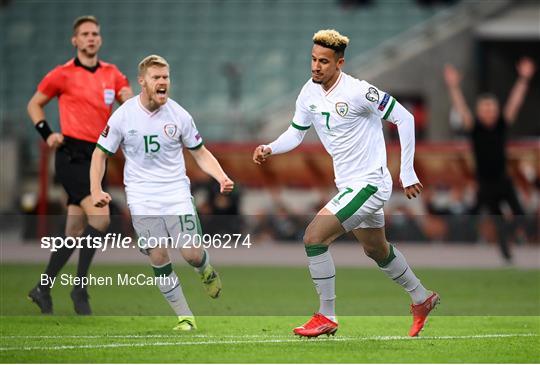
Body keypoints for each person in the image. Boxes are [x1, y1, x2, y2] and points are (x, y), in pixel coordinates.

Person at [253, 29, 438, 338]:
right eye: (313, 59)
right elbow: (296, 133)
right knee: (376, 249)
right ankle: (422, 298)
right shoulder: (308, 92)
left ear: (339, 63)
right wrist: (271, 147)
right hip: (349, 185)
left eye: (323, 61)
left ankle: (326, 315)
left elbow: (404, 118)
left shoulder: (358, 92)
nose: (315, 67)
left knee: (314, 237)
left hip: (370, 184)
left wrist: (407, 172)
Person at [90, 55, 234, 330]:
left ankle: (205, 269)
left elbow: (200, 152)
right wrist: (95, 189)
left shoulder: (179, 115)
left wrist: (221, 176)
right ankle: (185, 317)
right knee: (157, 255)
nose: (163, 82)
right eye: (157, 77)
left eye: (166, 77)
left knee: (191, 254)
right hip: (142, 195)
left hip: (175, 192)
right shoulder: (123, 116)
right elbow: (100, 154)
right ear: (142, 82)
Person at [27, 15, 133, 315]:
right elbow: (34, 104)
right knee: (101, 219)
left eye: (95, 33)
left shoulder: (112, 74)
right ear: (75, 40)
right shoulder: (61, 75)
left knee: (74, 230)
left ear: (100, 39)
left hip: (98, 155)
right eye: (85, 34)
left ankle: (43, 288)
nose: (91, 38)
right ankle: (80, 288)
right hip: (72, 155)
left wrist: (138, 104)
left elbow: (127, 99)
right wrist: (47, 133)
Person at [443, 58, 535, 263]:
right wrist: (454, 87)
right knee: (486, 217)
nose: (489, 112)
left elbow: (514, 103)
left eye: (492, 109)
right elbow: (461, 107)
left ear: (496, 111)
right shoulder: (474, 128)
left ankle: (505, 239)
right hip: (484, 183)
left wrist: (523, 79)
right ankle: (459, 243)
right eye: (485, 109)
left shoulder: (502, 125)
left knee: (521, 216)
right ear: (479, 112)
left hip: (503, 181)